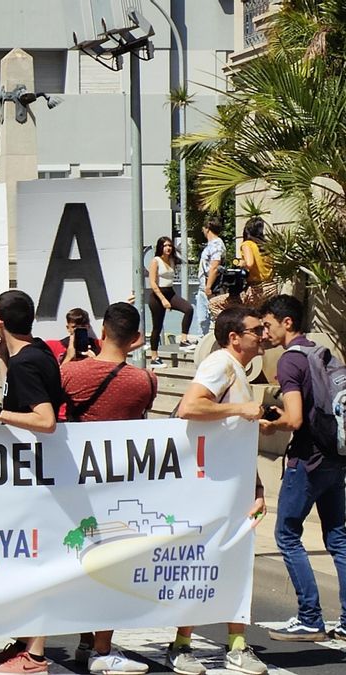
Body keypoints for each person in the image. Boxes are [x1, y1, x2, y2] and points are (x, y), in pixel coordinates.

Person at [173, 305, 270, 675]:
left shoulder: (236, 369)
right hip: (210, 488)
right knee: (202, 564)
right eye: (255, 329)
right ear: (234, 337)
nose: (262, 334)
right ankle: (181, 645)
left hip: (234, 487)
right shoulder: (220, 364)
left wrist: (257, 486)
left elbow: (237, 441)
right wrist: (242, 409)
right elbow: (189, 407)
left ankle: (237, 646)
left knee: (234, 566)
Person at [0, 290, 63, 675]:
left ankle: (36, 655)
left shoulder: (27, 363)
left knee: (32, 563)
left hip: (34, 480)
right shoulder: (37, 353)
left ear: (0, 321)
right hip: (29, 476)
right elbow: (24, 391)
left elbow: (45, 420)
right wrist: (4, 357)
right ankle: (25, 643)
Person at [60, 303, 155, 675]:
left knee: (81, 561)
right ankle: (101, 645)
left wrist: (72, 356)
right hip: (120, 483)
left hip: (76, 480)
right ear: (136, 339)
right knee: (110, 563)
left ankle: (86, 640)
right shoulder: (145, 381)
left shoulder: (70, 372)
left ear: (100, 330)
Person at [261, 295, 346, 642]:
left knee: (286, 534)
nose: (264, 332)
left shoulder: (289, 362)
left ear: (287, 323)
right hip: (336, 458)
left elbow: (295, 419)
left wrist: (271, 425)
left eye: (268, 325)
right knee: (339, 539)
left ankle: (310, 616)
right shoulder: (325, 354)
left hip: (307, 460)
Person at [147, 236, 196, 365]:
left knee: (189, 309)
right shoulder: (155, 261)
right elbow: (152, 282)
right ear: (160, 248)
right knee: (157, 327)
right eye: (165, 246)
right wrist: (163, 300)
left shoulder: (172, 260)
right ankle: (154, 357)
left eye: (169, 245)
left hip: (170, 292)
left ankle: (184, 340)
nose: (168, 248)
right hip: (157, 295)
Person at [210, 217, 274, 315]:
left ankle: (232, 325)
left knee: (214, 304)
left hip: (255, 290)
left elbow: (249, 263)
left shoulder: (247, 244)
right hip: (271, 288)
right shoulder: (266, 246)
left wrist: (238, 263)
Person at [196, 217, 226, 337]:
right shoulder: (211, 245)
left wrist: (208, 287)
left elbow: (214, 266)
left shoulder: (216, 244)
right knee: (202, 319)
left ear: (207, 229)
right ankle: (202, 342)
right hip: (204, 286)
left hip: (211, 287)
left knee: (212, 317)